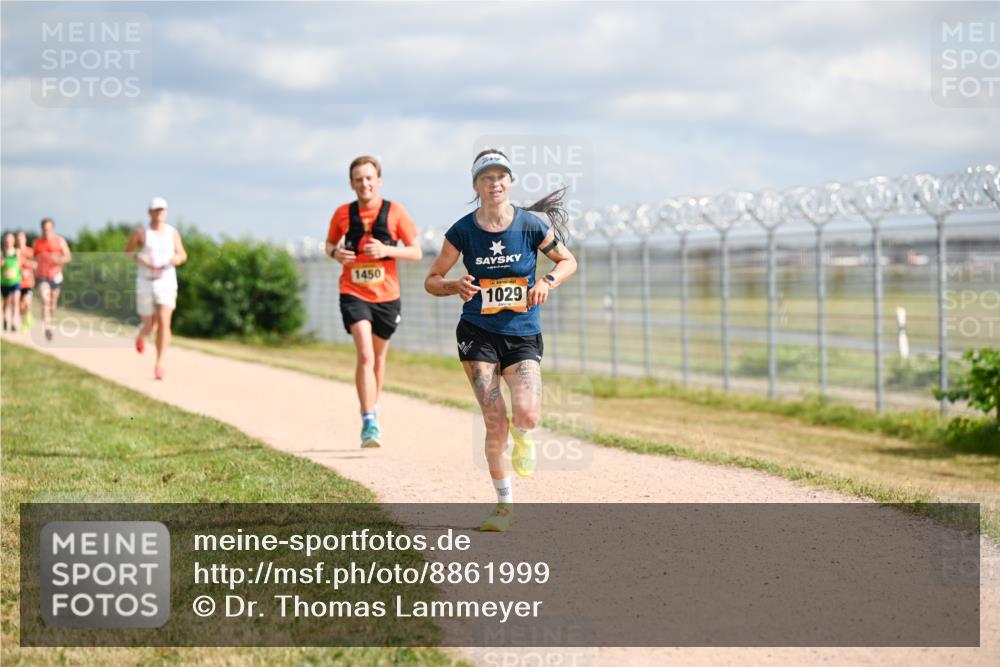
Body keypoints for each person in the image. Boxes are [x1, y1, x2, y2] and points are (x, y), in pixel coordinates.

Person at [424, 149, 577, 531]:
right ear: (476, 186)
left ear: (510, 182)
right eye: (486, 178)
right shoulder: (462, 231)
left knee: (526, 413)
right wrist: (453, 284)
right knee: (494, 421)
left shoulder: (530, 226)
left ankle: (525, 437)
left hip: (523, 333)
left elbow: (568, 261)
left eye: (501, 176)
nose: (494, 183)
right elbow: (431, 279)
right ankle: (503, 506)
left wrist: (546, 281)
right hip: (476, 333)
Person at [326, 155, 422, 448]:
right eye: (358, 179)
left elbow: (416, 251)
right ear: (351, 183)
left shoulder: (395, 212)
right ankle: (368, 420)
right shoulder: (342, 213)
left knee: (378, 359)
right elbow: (329, 244)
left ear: (378, 181)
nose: (364, 183)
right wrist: (336, 254)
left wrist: (386, 250)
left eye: (369, 178)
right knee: (365, 355)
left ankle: (373, 408)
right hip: (353, 292)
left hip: (387, 296)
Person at [125, 197, 188, 380]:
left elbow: (182, 254)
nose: (159, 213)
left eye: (162, 210)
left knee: (164, 321)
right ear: (149, 212)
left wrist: (176, 259)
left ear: (166, 212)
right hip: (145, 281)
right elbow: (127, 251)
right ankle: (141, 335)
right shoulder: (141, 232)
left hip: (166, 281)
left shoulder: (172, 232)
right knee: (149, 325)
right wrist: (139, 257)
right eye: (156, 210)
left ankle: (160, 363)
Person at [32, 218, 72, 341]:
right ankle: (47, 328)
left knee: (52, 304)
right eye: (44, 229)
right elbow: (34, 259)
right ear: (41, 229)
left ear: (52, 228)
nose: (46, 231)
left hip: (55, 276)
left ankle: (50, 322)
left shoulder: (60, 241)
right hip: (42, 276)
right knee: (45, 300)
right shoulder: (37, 242)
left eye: (48, 229)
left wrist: (59, 259)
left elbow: (68, 256)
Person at [2, 232, 22, 332]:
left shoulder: (17, 252)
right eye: (7, 239)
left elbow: (21, 265)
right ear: (4, 241)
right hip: (4, 282)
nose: (9, 241)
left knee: (15, 301)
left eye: (11, 239)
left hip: (16, 281)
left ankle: (14, 322)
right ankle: (5, 318)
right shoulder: (2, 253)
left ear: (13, 241)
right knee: (6, 304)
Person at [16, 232, 36, 330]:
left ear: (25, 240)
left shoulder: (30, 251)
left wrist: (26, 266)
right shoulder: (15, 252)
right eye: (18, 239)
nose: (20, 240)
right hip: (16, 282)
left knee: (27, 302)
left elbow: (36, 264)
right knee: (20, 306)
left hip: (28, 283)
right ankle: (25, 320)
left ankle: (27, 318)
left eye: (22, 239)